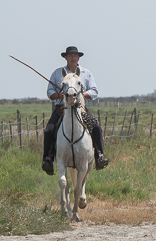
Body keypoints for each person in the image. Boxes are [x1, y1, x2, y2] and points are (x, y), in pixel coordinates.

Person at [42, 46, 109, 175]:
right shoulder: (57, 73)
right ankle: (48, 159)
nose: (73, 57)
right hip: (62, 108)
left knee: (96, 127)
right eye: (70, 55)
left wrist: (80, 95)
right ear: (66, 57)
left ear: (78, 58)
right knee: (49, 129)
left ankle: (100, 155)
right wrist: (59, 95)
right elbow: (50, 92)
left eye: (75, 55)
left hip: (81, 108)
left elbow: (94, 91)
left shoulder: (86, 73)